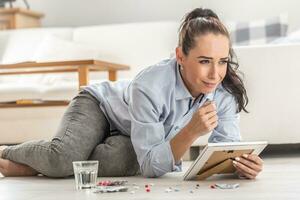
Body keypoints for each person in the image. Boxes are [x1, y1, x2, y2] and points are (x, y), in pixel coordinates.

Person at [0, 8, 263, 179]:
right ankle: (8, 153)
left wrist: (240, 166)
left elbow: (224, 149)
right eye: (205, 61)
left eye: (222, 61)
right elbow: (155, 163)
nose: (215, 74)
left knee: (124, 164)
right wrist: (191, 131)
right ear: (180, 56)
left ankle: (36, 167)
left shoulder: (224, 93)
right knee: (63, 158)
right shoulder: (149, 85)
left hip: (130, 131)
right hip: (100, 107)